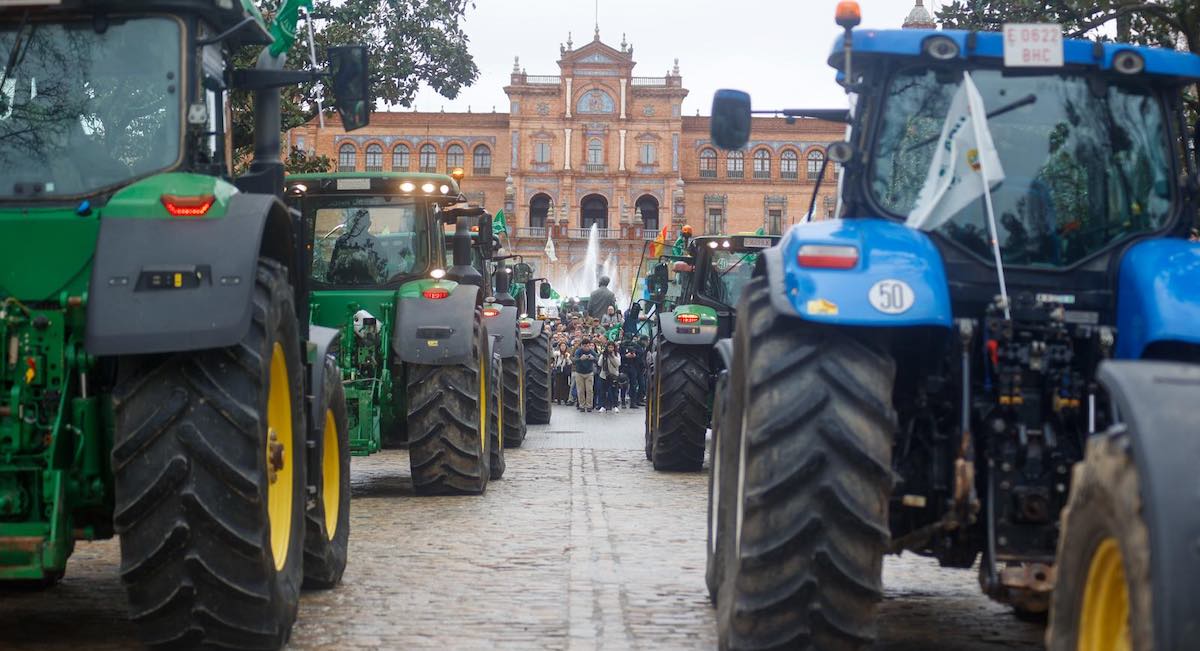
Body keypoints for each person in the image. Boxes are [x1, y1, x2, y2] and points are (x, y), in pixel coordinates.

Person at [328, 208, 387, 283]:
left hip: (369, 288)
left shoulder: (374, 243)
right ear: (351, 222)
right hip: (342, 288)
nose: (357, 224)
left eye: (361, 222)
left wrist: (367, 263)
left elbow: (382, 273)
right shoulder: (342, 241)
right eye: (355, 221)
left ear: (369, 224)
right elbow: (331, 272)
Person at [620, 335, 645, 409]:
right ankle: (623, 401)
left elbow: (640, 355)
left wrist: (635, 355)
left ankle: (633, 402)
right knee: (623, 384)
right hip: (624, 366)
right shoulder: (622, 346)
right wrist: (625, 356)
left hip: (633, 367)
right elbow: (619, 356)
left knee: (633, 385)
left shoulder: (636, 346)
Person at [573, 340, 597, 412]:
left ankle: (589, 405)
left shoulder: (592, 351)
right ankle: (582, 405)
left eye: (588, 346)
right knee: (581, 390)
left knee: (589, 390)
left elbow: (598, 360)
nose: (586, 348)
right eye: (585, 346)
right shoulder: (578, 351)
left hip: (589, 373)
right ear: (581, 346)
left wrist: (593, 358)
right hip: (579, 373)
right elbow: (574, 360)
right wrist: (580, 359)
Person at [598, 341, 622, 412]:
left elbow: (618, 364)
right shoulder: (604, 354)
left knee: (614, 391)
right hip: (604, 375)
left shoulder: (616, 354)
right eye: (609, 347)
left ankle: (615, 405)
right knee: (603, 391)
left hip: (613, 375)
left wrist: (612, 356)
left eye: (612, 347)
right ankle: (603, 406)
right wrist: (603, 356)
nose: (610, 349)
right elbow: (599, 363)